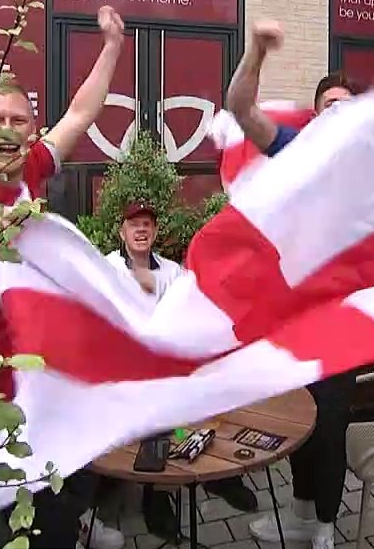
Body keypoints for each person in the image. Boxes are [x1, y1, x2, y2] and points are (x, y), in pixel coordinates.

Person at [0, 5, 126, 549]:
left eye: (18, 120)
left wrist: (110, 48)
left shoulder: (30, 168)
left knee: (50, 527)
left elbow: (81, 113)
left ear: (31, 130)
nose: (8, 130)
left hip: (38, 398)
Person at [224, 20, 358, 549]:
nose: (338, 111)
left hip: (347, 322)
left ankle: (324, 525)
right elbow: (240, 108)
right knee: (298, 420)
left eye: (349, 103)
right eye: (330, 103)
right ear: (316, 113)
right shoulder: (296, 148)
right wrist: (256, 50)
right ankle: (301, 515)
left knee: (330, 426)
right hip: (293, 319)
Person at [96, 201, 259, 540]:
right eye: (134, 225)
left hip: (167, 368)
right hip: (125, 373)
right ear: (122, 232)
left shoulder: (171, 272)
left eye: (147, 225)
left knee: (209, 398)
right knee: (162, 417)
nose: (141, 230)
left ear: (154, 232)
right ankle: (157, 494)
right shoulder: (107, 268)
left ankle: (220, 473)